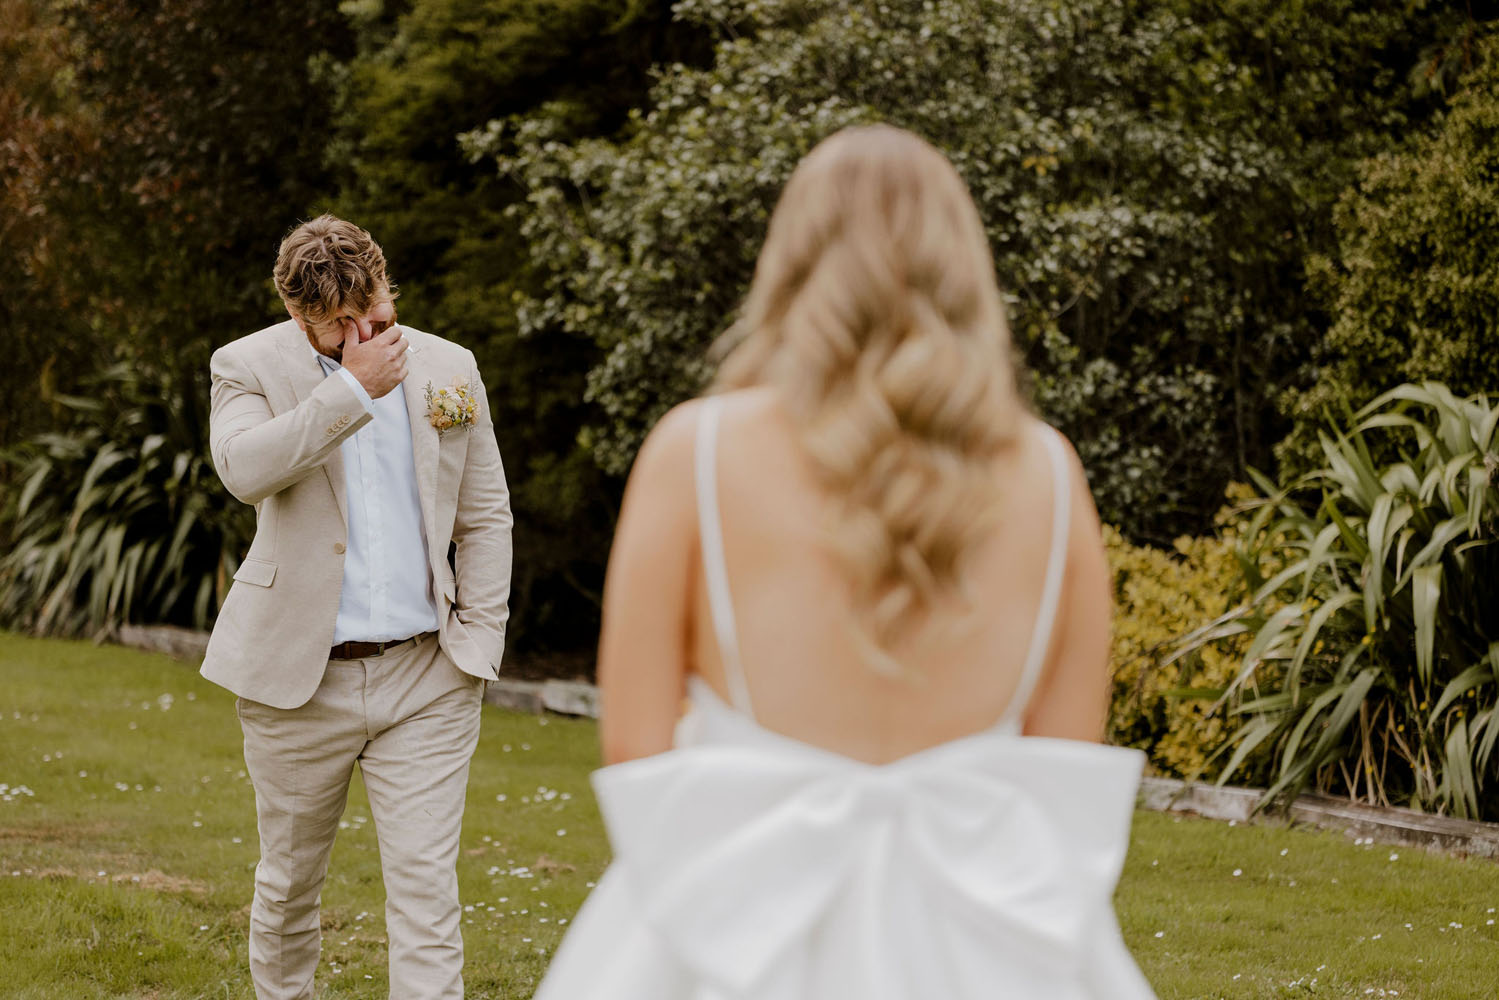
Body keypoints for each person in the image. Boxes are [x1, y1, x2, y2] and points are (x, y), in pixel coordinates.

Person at [532, 125, 1156, 999]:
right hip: (992, 950)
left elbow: (636, 750)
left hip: (731, 939)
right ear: (960, 265)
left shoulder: (696, 453)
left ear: (791, 262)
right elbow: (1060, 763)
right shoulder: (1050, 472)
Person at [202, 215, 513, 1000]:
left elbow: (484, 516)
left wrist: (477, 639)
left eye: (371, 311)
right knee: (288, 889)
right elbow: (244, 470)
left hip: (427, 677)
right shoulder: (246, 365)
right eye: (336, 325)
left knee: (425, 896)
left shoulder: (450, 366)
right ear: (295, 312)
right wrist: (349, 390)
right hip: (297, 682)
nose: (362, 332)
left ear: (385, 283)